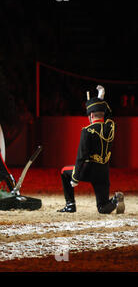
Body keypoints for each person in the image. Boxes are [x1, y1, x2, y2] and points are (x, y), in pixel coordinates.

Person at [58, 86, 125, 214]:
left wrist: (75, 177)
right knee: (103, 207)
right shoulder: (110, 127)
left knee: (64, 171)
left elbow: (81, 156)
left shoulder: (87, 131)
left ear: (91, 115)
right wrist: (101, 98)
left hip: (89, 170)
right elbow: (109, 112)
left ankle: (70, 205)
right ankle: (115, 200)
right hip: (103, 172)